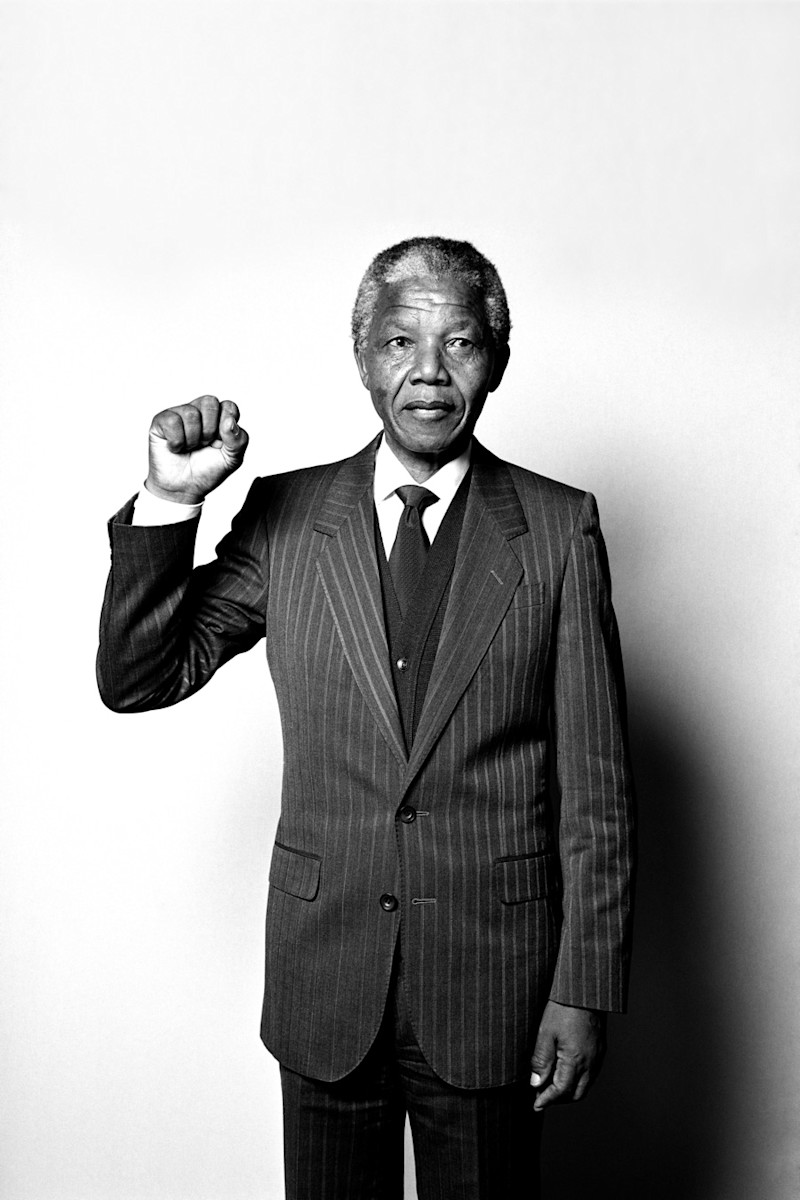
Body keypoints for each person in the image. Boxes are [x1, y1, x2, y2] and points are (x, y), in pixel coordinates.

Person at [98, 236, 635, 1200]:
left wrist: (584, 986)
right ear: (362, 358)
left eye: (459, 343)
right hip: (326, 981)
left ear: (496, 361)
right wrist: (171, 501)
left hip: (493, 985)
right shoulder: (287, 516)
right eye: (399, 342)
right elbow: (141, 677)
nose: (428, 372)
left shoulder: (559, 528)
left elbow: (597, 793)